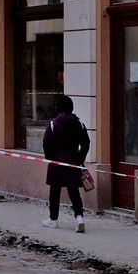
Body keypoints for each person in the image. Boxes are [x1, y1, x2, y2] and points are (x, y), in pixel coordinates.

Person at [42, 94, 90, 233]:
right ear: (71, 107)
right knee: (74, 191)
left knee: (54, 191)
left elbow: (46, 144)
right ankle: (79, 218)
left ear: (58, 108)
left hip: (57, 162)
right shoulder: (79, 123)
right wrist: (80, 159)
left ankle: (53, 220)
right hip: (73, 161)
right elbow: (86, 143)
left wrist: (50, 158)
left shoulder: (53, 124)